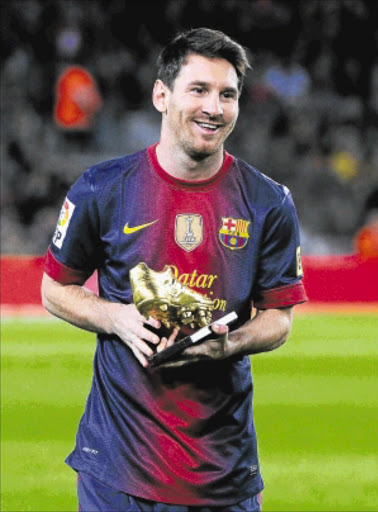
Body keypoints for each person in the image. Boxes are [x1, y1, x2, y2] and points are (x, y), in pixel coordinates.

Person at [41, 28, 307, 512]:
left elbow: (279, 318)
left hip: (222, 471)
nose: (215, 107)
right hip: (118, 467)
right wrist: (117, 318)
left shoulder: (269, 202)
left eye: (228, 94)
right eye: (199, 90)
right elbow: (54, 288)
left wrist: (230, 343)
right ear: (161, 95)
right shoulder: (102, 189)